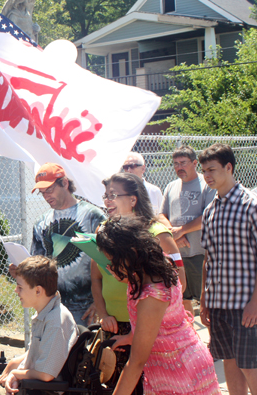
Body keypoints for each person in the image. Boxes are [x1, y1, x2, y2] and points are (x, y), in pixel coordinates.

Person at [96, 216, 220, 395]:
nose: (113, 266)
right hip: (184, 359)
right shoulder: (159, 263)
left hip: (179, 371)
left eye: (114, 261)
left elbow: (136, 363)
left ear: (130, 253)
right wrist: (131, 336)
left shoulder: (152, 296)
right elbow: (161, 323)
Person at [85, 172, 185, 390]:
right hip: (114, 326)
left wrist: (140, 288)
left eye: (113, 195)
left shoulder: (158, 233)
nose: (107, 200)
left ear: (133, 199)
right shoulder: (104, 232)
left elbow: (178, 283)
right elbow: (95, 278)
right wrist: (102, 314)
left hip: (149, 329)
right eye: (105, 195)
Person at [0, 255, 79, 395]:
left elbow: (46, 374)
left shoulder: (55, 321)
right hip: (28, 384)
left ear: (38, 291)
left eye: (20, 287)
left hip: (38, 390)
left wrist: (16, 374)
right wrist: (14, 363)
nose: (16, 291)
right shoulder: (46, 313)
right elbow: (40, 351)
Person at [199, 143, 257, 395]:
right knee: (230, 363)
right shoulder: (210, 210)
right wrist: (203, 299)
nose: (207, 176)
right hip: (218, 304)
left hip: (246, 305)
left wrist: (255, 303)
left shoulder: (251, 206)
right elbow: (208, 258)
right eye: (204, 171)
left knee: (251, 367)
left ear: (229, 167)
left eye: (212, 169)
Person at [28, 163, 107, 324]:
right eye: (42, 193)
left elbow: (109, 263)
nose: (46, 196)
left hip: (86, 308)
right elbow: (38, 263)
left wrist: (100, 303)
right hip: (52, 304)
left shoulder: (93, 216)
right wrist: (23, 270)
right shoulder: (41, 222)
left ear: (64, 183)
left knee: (82, 349)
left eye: (49, 190)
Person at [160, 145, 216, 316]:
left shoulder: (207, 185)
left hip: (200, 252)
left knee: (207, 300)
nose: (179, 167)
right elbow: (161, 215)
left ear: (194, 163)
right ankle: (191, 339)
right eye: (176, 163)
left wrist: (182, 231)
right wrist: (173, 235)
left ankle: (212, 340)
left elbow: (208, 215)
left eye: (183, 163)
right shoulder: (171, 186)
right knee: (183, 300)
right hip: (177, 254)